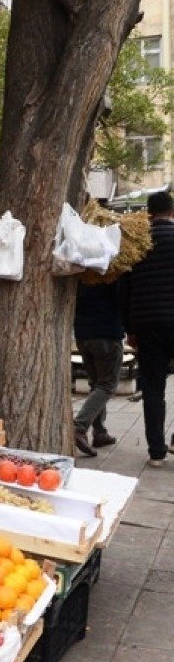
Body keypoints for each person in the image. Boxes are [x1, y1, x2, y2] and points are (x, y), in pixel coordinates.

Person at [122, 190, 174, 467]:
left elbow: (124, 289)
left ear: (149, 214)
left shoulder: (138, 245)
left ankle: (156, 451)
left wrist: (129, 328)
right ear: (172, 212)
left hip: (147, 324)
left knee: (153, 388)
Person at [72, 280, 124, 457]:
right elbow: (122, 298)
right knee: (107, 385)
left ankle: (100, 432)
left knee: (96, 384)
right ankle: (79, 426)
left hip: (83, 334)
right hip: (107, 333)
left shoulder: (82, 271)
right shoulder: (114, 272)